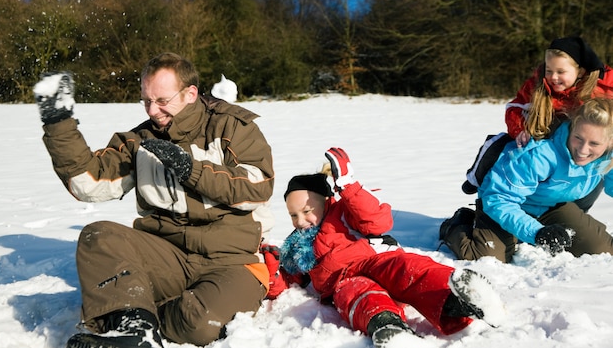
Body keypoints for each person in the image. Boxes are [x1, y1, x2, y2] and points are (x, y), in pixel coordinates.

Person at [33, 52, 275, 348]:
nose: (153, 110)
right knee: (99, 235)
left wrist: (191, 170)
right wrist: (58, 123)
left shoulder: (232, 127)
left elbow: (257, 186)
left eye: (162, 101)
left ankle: (133, 313)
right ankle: (135, 330)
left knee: (198, 324)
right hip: (167, 257)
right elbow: (88, 183)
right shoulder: (139, 141)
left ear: (190, 93)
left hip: (233, 261)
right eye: (146, 101)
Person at [261, 147, 504, 348]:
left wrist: (349, 186)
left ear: (327, 201)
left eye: (306, 211)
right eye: (293, 215)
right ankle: (388, 327)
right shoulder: (297, 247)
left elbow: (378, 220)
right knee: (356, 294)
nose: (300, 221)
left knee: (407, 268)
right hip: (342, 282)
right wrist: (271, 270)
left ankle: (460, 300)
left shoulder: (344, 211)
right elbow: (288, 281)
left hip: (374, 259)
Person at [441, 98, 613, 263]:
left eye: (594, 144)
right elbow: (498, 199)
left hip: (548, 205)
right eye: (578, 138)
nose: (583, 150)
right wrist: (536, 232)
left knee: (603, 249)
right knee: (487, 256)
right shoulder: (541, 155)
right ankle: (456, 225)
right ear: (573, 127)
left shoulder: (607, 158)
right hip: (503, 202)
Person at [462, 36, 613, 199]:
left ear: (580, 71)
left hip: (574, 145)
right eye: (549, 71)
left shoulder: (595, 88)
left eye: (561, 72)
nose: (554, 77)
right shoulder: (537, 85)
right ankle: (476, 179)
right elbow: (515, 108)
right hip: (542, 135)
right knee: (498, 144)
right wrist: (520, 129)